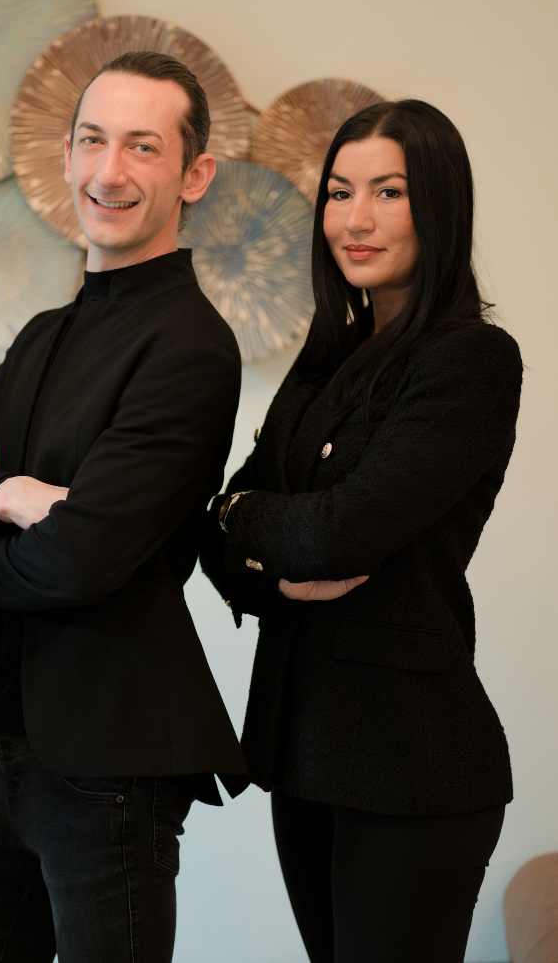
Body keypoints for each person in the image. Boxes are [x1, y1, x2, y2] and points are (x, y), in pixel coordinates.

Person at [0, 50, 249, 963]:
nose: (109, 170)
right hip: (18, 749)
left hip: (112, 766)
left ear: (194, 175)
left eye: (143, 146)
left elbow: (79, 559)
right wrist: (5, 494)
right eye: (93, 140)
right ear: (65, 156)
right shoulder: (43, 336)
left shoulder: (190, 346)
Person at [200, 99, 523, 963]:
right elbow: (220, 547)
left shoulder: (470, 359)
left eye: (389, 191)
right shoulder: (326, 360)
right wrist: (251, 543)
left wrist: (242, 517)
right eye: (340, 193)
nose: (355, 219)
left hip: (410, 762)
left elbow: (340, 534)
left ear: (440, 206)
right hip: (303, 748)